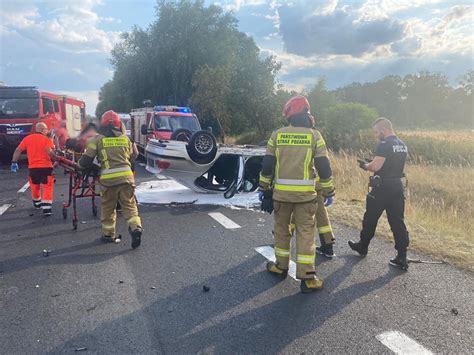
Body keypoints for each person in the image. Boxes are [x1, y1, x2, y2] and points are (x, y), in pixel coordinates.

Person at [259, 95, 335, 293]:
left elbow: (267, 164)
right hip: (305, 197)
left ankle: (280, 267)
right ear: (306, 113)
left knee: (282, 231)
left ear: (289, 115)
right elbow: (323, 166)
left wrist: (264, 189)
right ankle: (308, 278)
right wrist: (328, 189)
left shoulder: (277, 135)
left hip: (280, 196)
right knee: (306, 234)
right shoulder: (314, 136)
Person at [348, 117, 410, 270]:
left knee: (370, 218)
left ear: (384, 130)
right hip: (397, 186)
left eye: (377, 132)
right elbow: (392, 164)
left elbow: (375, 166)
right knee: (397, 221)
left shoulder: (384, 144)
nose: (376, 135)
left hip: (382, 187)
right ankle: (402, 256)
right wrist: (376, 163)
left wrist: (365, 165)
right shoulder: (402, 144)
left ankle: (363, 246)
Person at [77, 110, 142, 248]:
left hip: (108, 180)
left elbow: (86, 160)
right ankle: (136, 228)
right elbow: (134, 155)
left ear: (103, 124)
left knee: (108, 207)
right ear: (119, 124)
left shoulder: (97, 139)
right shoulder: (126, 138)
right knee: (130, 206)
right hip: (127, 178)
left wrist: (79, 166)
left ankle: (108, 235)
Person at [11, 122, 57, 216]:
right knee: (47, 186)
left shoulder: (27, 139)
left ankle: (37, 204)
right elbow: (50, 152)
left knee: (35, 186)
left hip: (33, 168)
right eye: (46, 129)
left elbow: (18, 150)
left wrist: (14, 162)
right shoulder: (46, 139)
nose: (47, 131)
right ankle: (47, 209)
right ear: (43, 130)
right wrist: (56, 159)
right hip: (46, 167)